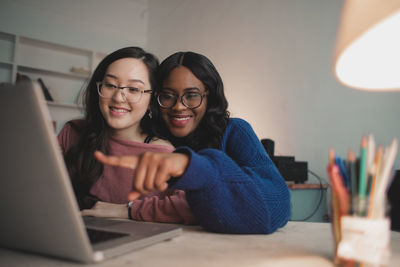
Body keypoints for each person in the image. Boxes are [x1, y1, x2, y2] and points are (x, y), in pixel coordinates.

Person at [95, 51, 291, 234]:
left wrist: (193, 168)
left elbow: (276, 206)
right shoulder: (151, 138)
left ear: (209, 97)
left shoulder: (233, 131)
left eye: (192, 95)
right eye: (168, 96)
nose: (179, 106)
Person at [57, 47, 196, 224]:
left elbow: (192, 208)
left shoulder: (164, 153)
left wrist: (129, 210)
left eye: (133, 89)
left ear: (151, 100)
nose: (118, 97)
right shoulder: (74, 132)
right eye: (110, 85)